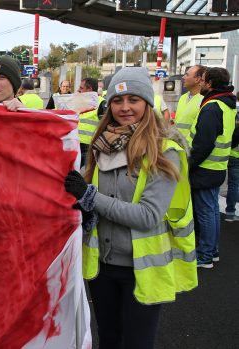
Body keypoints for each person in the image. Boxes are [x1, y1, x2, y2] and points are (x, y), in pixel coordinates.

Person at [64, 67, 196, 349]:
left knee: (137, 344)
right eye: (117, 101)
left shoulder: (165, 151)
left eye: (133, 100)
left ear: (147, 104)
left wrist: (91, 198)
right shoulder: (102, 146)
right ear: (108, 104)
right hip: (103, 267)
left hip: (142, 269)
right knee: (109, 340)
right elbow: (89, 202)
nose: (125, 108)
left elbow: (148, 216)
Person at [187, 67, 237, 268]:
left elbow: (203, 143)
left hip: (205, 168)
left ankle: (206, 255)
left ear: (209, 84)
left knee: (206, 211)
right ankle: (211, 251)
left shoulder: (211, 106)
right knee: (212, 210)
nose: (200, 83)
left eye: (203, 80)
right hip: (217, 166)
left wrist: (189, 164)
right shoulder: (226, 104)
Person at [77, 77, 106, 166]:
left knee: (86, 177)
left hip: (89, 149)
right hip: (75, 146)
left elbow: (106, 128)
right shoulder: (79, 102)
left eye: (81, 88)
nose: (78, 90)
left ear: (89, 89)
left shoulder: (102, 104)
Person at [174, 65, 205, 138]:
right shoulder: (183, 97)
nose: (183, 77)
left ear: (197, 79)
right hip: (179, 145)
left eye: (187, 75)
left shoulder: (204, 100)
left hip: (191, 147)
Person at [227, 103, 239, 222]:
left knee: (233, 185)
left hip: (229, 152)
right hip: (236, 155)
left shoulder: (233, 109)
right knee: (234, 185)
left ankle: (230, 213)